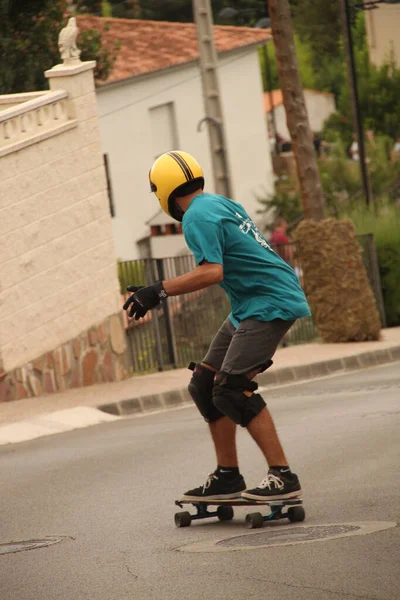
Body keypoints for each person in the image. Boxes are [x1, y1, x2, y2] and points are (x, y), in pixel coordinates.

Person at [123, 151, 311, 502]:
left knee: (231, 388)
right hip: (251, 303)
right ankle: (228, 476)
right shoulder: (215, 203)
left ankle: (282, 476)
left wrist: (157, 291)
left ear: (163, 191)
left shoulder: (196, 217)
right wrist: (154, 292)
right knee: (205, 384)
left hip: (270, 303)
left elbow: (213, 271)